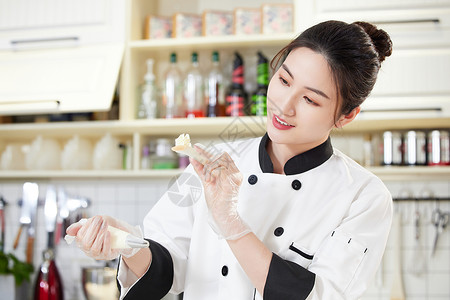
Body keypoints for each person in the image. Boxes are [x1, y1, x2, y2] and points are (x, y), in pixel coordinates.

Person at [67, 20, 393, 300]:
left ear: (346, 116)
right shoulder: (215, 160)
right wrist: (125, 242)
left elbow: (321, 295)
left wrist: (233, 227)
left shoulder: (363, 196)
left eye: (309, 99)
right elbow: (166, 267)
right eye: (283, 80)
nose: (284, 106)